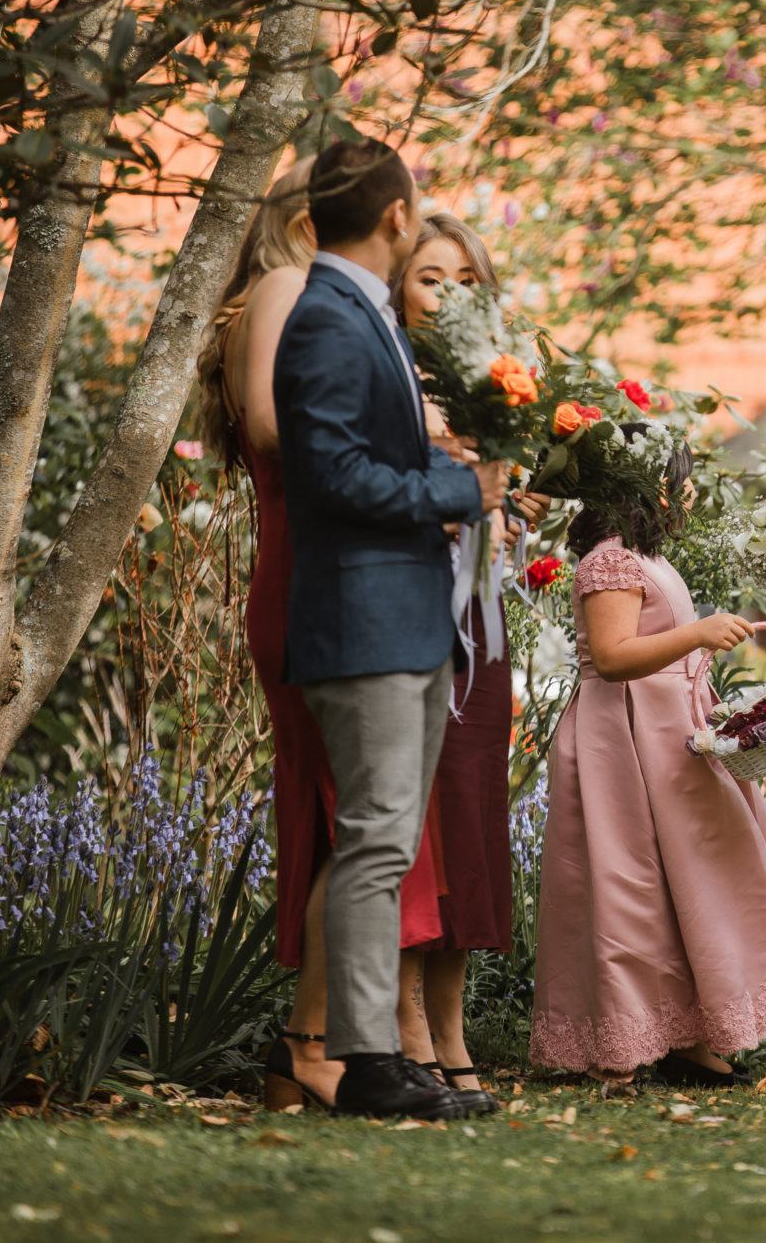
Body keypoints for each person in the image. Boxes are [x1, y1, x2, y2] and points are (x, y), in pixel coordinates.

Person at [193, 160, 451, 1113]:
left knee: (363, 816)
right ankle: (319, 1043)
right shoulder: (288, 290)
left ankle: (333, 1042)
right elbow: (273, 426)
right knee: (356, 813)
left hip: (360, 565)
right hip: (320, 570)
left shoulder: (329, 298)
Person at [272, 134, 510, 1121]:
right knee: (375, 841)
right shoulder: (327, 317)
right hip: (361, 622)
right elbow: (326, 474)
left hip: (404, 621)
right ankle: (366, 1061)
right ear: (397, 218)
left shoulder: (356, 312)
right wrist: (458, 487)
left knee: (382, 841)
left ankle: (375, 1053)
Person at [530, 428, 766, 1091]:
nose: (688, 490)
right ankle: (625, 1039)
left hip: (670, 734)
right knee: (629, 886)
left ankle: (691, 1038)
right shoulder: (609, 561)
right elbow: (611, 657)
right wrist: (697, 632)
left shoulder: (645, 556)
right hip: (621, 743)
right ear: (651, 483)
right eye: (680, 475)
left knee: (686, 886)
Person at [388, 213, 550, 1095]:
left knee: (470, 812)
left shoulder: (497, 387)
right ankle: (404, 1018)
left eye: (463, 282)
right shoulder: (387, 378)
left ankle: (452, 1027)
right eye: (430, 277)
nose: (447, 295)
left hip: (481, 621)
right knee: (418, 823)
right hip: (408, 612)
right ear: (401, 286)